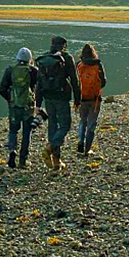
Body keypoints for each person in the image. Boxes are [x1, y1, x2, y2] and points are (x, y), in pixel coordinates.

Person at [35, 36, 81, 172]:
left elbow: (39, 84)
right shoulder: (67, 58)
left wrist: (37, 104)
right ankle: (50, 147)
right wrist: (77, 100)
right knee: (65, 126)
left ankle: (56, 161)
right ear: (64, 46)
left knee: (53, 127)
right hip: (62, 97)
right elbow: (75, 80)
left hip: (48, 98)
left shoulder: (44, 59)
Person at [0, 48, 38, 169]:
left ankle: (12, 151)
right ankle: (23, 160)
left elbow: (2, 89)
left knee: (13, 131)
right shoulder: (33, 71)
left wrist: (10, 99)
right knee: (27, 132)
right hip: (28, 107)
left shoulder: (10, 70)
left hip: (14, 106)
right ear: (30, 59)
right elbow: (39, 88)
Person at [76, 44, 107, 156]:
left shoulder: (79, 64)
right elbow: (103, 81)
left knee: (82, 121)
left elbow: (75, 82)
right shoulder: (98, 64)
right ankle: (87, 149)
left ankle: (80, 141)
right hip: (95, 99)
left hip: (82, 98)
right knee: (91, 124)